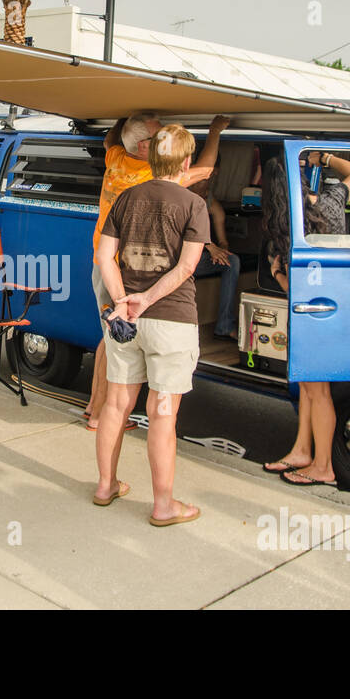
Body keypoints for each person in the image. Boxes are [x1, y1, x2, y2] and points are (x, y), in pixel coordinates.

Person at [94, 125, 208, 526]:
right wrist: (147, 299)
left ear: (154, 158)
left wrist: (125, 299)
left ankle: (106, 486)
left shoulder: (126, 198)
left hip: (125, 322)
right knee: (162, 413)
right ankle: (163, 506)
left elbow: (105, 257)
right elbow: (187, 267)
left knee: (116, 405)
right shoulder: (193, 204)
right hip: (171, 321)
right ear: (187, 162)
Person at [85, 112, 228, 430]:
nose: (164, 139)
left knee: (110, 337)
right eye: (158, 136)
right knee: (117, 338)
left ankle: (95, 409)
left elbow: (111, 139)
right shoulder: (149, 174)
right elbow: (205, 169)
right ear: (141, 147)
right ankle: (99, 415)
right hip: (124, 271)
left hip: (104, 263)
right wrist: (216, 130)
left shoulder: (116, 156)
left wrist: (122, 114)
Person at [260, 151, 350, 487]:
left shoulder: (283, 229)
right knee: (308, 387)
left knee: (317, 392)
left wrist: (277, 275)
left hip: (309, 314)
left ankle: (323, 466)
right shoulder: (332, 203)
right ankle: (301, 451)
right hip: (332, 308)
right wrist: (327, 158)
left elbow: (293, 288)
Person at [187, 170, 239, 338]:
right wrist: (210, 246)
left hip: (198, 260)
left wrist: (222, 251)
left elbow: (222, 238)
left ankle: (224, 325)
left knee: (232, 262)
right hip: (177, 258)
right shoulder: (181, 195)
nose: (207, 182)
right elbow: (180, 230)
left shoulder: (209, 201)